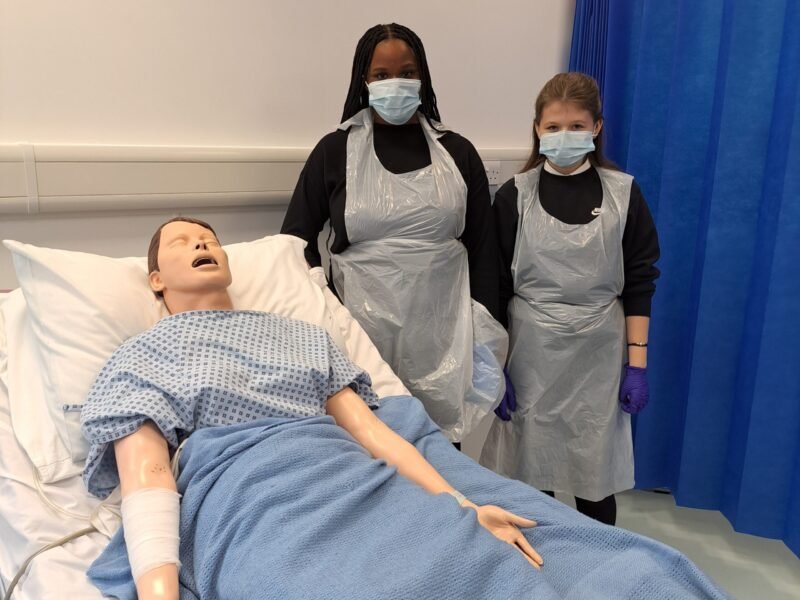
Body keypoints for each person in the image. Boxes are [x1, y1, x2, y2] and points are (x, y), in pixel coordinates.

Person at [80, 217, 541, 600]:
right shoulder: (144, 354)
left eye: (211, 240)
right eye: (181, 242)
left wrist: (463, 505)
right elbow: (150, 481)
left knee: (479, 566)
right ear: (156, 280)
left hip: (349, 478)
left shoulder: (302, 336)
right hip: (254, 504)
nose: (202, 242)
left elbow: (373, 434)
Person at [280, 23, 504, 444]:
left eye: (407, 72)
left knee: (442, 464)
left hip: (446, 344)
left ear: (423, 78)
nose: (395, 83)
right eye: (382, 75)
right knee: (375, 456)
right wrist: (325, 318)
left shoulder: (458, 153)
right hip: (361, 340)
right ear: (363, 82)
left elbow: (483, 252)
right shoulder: (334, 151)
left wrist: (489, 348)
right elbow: (292, 245)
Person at [480, 73, 660, 526]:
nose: (564, 136)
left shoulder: (624, 195)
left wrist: (636, 365)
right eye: (554, 127)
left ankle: (595, 572)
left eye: (577, 126)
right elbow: (493, 286)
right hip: (530, 355)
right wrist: (494, 364)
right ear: (537, 129)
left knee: (593, 478)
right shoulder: (514, 197)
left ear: (597, 128)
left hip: (597, 358)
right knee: (529, 475)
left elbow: (640, 280)